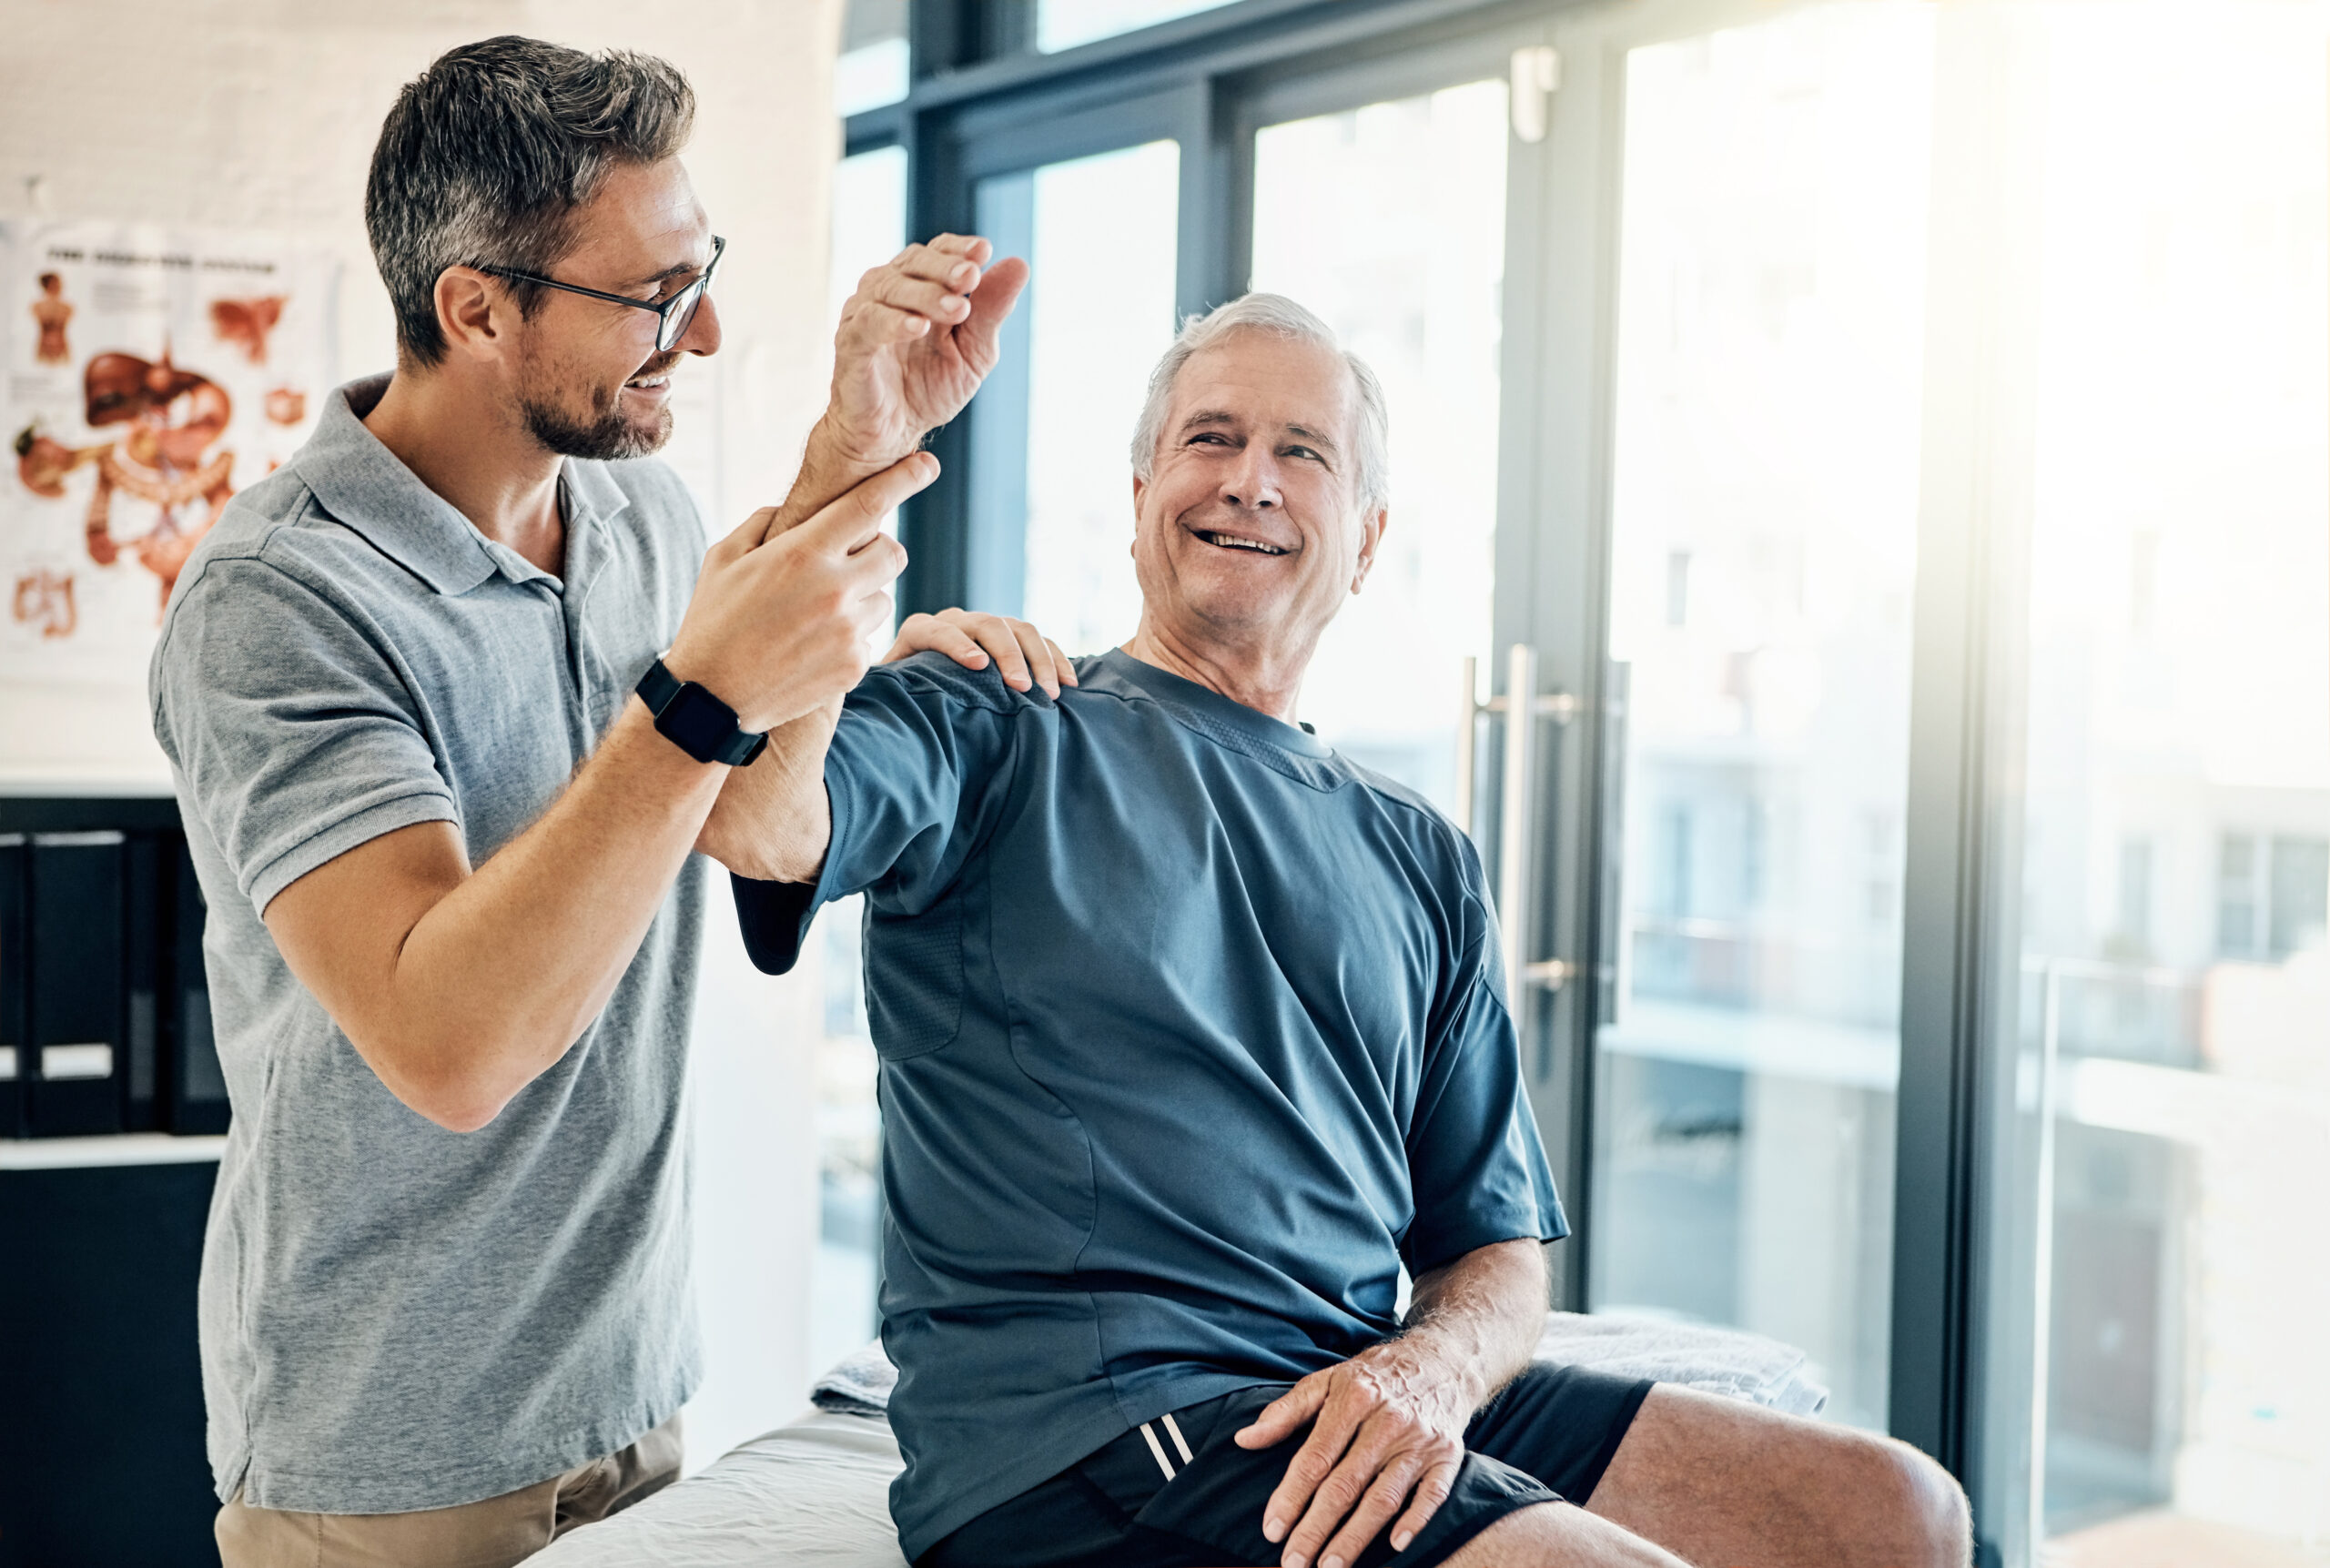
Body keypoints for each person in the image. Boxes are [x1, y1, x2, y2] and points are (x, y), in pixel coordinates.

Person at [707, 292, 1974, 1568]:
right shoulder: (993, 714)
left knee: (1895, 1511)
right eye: (1210, 439)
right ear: (1143, 489)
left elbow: (1496, 1255)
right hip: (1094, 1436)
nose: (1251, 481)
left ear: (1366, 541)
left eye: (1301, 453)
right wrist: (854, 460)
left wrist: (1427, 1373)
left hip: (1352, 1387)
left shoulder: (1419, 852)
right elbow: (759, 817)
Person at [151, 36, 1067, 1568]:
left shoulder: (641, 512)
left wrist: (860, 449)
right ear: (476, 307)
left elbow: (756, 821)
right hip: (385, 1452)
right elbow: (450, 1045)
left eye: (700, 271)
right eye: (651, 296)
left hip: (630, 1392)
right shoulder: (278, 601)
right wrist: (705, 692)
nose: (699, 336)